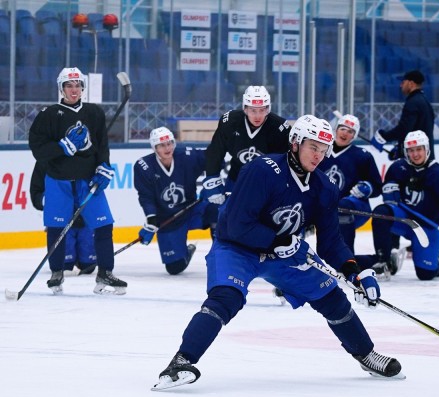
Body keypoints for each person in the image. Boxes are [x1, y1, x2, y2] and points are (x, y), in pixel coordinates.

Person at [152, 115, 403, 391]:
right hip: (237, 248)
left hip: (282, 254)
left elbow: (331, 243)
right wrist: (277, 240)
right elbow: (236, 225)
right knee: (226, 297)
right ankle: (180, 362)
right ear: (295, 143)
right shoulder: (262, 170)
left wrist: (355, 271)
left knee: (332, 296)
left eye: (323, 149)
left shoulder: (325, 187)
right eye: (313, 147)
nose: (319, 155)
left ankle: (366, 354)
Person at [28, 67, 126, 295]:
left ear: (83, 88)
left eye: (78, 85)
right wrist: (62, 147)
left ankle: (105, 273)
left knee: (104, 225)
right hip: (58, 181)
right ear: (61, 88)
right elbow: (38, 150)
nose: (74, 90)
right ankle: (56, 273)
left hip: (88, 180)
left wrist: (104, 166)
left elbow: (102, 145)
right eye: (69, 85)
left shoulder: (94, 113)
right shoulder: (48, 115)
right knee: (56, 226)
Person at [355, 130, 439, 280]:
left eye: (419, 149)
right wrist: (390, 194)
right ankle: (384, 260)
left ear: (426, 149)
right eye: (411, 150)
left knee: (426, 274)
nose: (415, 154)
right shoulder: (398, 168)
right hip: (404, 220)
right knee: (381, 212)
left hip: (426, 225)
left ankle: (435, 260)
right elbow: (388, 198)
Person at [133, 127, 217, 275]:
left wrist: (212, 183)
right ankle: (187, 252)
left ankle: (220, 255)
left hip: (192, 209)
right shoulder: (144, 167)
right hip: (169, 219)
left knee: (216, 207)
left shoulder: (187, 156)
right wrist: (151, 218)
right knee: (174, 267)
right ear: (155, 148)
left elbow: (215, 158)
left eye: (170, 143)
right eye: (162, 145)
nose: (167, 148)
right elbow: (145, 196)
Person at [200, 85, 291, 213]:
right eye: (253, 110)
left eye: (262, 110)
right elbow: (215, 152)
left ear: (268, 109)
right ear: (245, 109)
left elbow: (286, 163)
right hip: (236, 180)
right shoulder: (230, 122)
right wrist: (212, 181)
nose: (258, 115)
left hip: (265, 185)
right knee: (226, 218)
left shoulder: (279, 128)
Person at [317, 114, 382, 252]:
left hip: (354, 207)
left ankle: (347, 257)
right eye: (342, 128)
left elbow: (377, 187)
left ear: (354, 136)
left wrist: (367, 188)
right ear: (336, 129)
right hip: (325, 207)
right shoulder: (320, 151)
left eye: (350, 131)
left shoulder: (363, 156)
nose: (345, 133)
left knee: (342, 207)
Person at [30, 161, 97, 275]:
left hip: (85, 220)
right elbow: (36, 191)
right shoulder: (46, 158)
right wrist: (50, 204)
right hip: (62, 221)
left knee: (88, 266)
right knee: (64, 264)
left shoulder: (87, 155)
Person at [371, 70, 435, 161]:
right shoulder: (424, 102)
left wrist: (383, 137)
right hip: (424, 157)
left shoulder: (413, 102)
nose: (401, 85)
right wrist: (401, 149)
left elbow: (404, 129)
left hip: (417, 160)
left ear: (411, 83)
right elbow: (417, 129)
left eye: (403, 82)